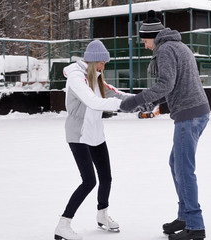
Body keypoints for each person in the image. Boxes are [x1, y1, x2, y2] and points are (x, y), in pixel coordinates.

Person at [120, 10, 210, 240]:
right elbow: (172, 86)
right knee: (176, 164)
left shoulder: (166, 49)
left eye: (144, 40)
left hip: (189, 115)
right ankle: (185, 217)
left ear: (153, 37)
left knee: (183, 169)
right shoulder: (177, 46)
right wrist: (150, 103)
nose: (144, 44)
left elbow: (165, 84)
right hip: (195, 112)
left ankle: (195, 226)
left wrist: (135, 101)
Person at [54, 39, 131, 240]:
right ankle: (63, 224)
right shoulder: (76, 78)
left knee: (106, 178)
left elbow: (118, 94)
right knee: (89, 181)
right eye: (101, 62)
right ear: (93, 61)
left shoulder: (97, 78)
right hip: (78, 135)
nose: (104, 66)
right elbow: (93, 102)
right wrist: (120, 105)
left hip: (96, 134)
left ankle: (102, 215)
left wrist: (144, 100)